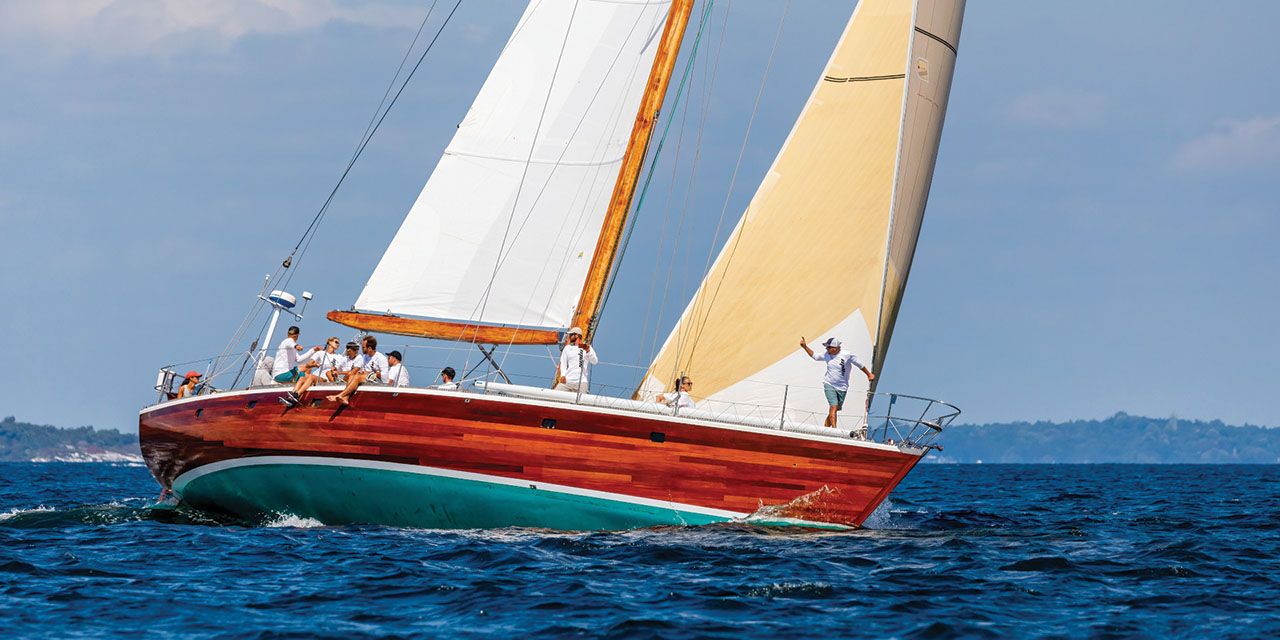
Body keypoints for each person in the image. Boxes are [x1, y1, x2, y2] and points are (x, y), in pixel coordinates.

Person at [799, 336, 874, 428]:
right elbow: (815, 356)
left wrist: (869, 374)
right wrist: (805, 347)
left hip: (842, 387)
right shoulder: (826, 355)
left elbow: (860, 365)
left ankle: (825, 428)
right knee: (833, 406)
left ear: (835, 348)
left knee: (835, 409)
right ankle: (835, 430)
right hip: (829, 384)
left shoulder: (847, 355)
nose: (826, 349)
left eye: (828, 347)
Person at [326, 335, 388, 406]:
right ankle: (346, 397)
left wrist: (371, 373)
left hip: (378, 380)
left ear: (370, 348)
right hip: (366, 377)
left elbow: (385, 377)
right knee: (352, 376)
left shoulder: (381, 358)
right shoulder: (365, 356)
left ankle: (340, 395)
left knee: (357, 377)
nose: (361, 349)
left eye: (363, 347)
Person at [282, 337, 343, 406]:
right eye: (336, 342)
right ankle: (291, 396)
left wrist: (335, 370)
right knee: (302, 377)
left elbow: (341, 370)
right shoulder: (320, 353)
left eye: (339, 343)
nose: (338, 344)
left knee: (311, 377)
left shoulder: (339, 357)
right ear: (329, 342)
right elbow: (308, 364)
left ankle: (297, 395)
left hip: (326, 379)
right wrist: (315, 364)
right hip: (317, 377)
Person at [554, 327, 598, 393]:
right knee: (555, 394)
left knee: (582, 401)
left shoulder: (586, 347)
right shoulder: (567, 348)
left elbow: (595, 361)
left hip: (581, 382)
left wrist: (588, 351)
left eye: (571, 335)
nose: (569, 336)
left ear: (576, 335)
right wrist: (562, 375)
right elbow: (563, 363)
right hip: (567, 381)